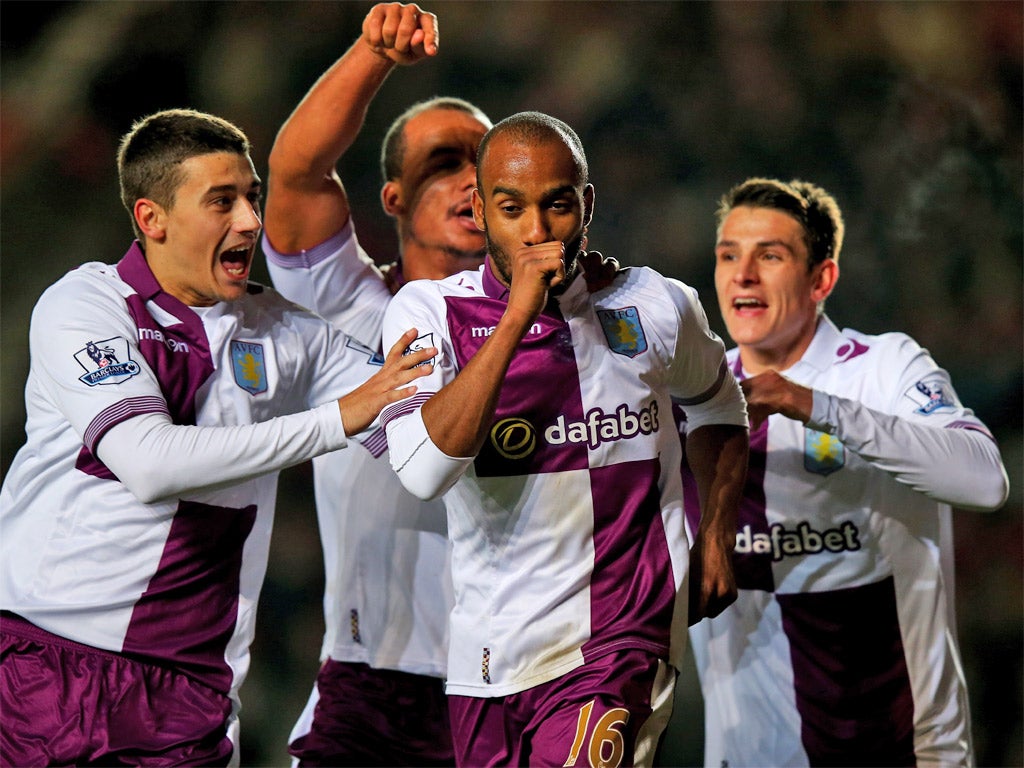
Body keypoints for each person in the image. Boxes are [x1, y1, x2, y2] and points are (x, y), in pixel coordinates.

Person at [0, 107, 433, 767]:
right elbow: (147, 461)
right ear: (152, 218)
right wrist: (336, 419)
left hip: (188, 697)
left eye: (252, 199)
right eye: (222, 202)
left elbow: (420, 433)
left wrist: (516, 315)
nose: (250, 222)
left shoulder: (286, 333)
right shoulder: (84, 307)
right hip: (45, 665)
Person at [379, 110, 751, 767]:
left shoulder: (657, 307)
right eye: (512, 207)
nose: (537, 230)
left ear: (586, 205)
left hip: (619, 642)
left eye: (556, 205)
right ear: (481, 209)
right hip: (487, 664)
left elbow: (719, 406)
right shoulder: (427, 313)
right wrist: (517, 316)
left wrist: (717, 531)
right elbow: (424, 470)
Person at [681, 177, 1010, 767]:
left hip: (903, 752)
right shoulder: (692, 397)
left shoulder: (885, 368)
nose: (742, 274)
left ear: (821, 279)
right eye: (728, 254)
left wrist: (811, 405)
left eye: (770, 255)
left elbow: (985, 481)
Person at [261, 3, 490, 764]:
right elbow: (295, 173)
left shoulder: (548, 333)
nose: (470, 182)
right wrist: (372, 53)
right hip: (372, 687)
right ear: (392, 199)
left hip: (510, 680)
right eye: (443, 164)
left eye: (484, 165)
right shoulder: (349, 308)